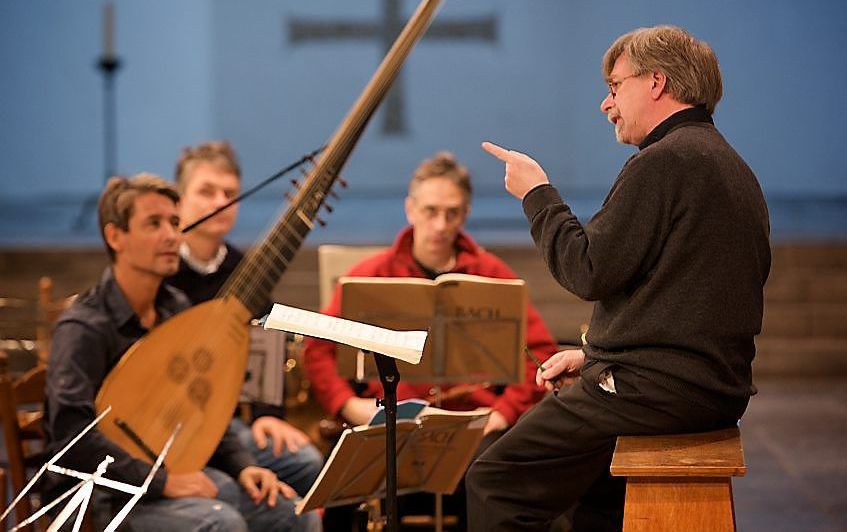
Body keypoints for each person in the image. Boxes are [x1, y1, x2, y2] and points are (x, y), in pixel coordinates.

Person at [468, 25, 771, 531]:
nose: (606, 105)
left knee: (495, 481)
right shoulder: (730, 165)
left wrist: (537, 193)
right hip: (706, 388)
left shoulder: (664, 162)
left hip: (654, 393)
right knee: (589, 500)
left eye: (614, 87)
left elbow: (586, 271)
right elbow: (687, 301)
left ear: (655, 82)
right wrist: (595, 356)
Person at [43, 174, 319, 531]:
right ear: (115, 237)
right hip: (99, 496)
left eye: (175, 222)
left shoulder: (175, 308)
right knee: (222, 523)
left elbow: (198, 408)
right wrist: (163, 483)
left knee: (291, 513)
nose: (172, 235)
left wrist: (243, 465)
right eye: (154, 224)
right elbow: (72, 440)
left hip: (165, 472)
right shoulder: (84, 328)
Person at [302, 151, 558, 528]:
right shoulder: (371, 274)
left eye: (452, 213)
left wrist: (503, 414)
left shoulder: (492, 275)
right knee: (343, 489)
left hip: (470, 429)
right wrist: (346, 404)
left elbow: (538, 354)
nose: (440, 224)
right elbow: (317, 347)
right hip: (392, 424)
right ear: (411, 209)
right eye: (430, 211)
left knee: (499, 478)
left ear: (466, 213)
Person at [165, 140, 324, 498]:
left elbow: (265, 331)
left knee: (306, 464)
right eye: (206, 191)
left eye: (230, 193)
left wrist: (268, 414)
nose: (220, 202)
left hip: (226, 423)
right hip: (171, 424)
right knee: (230, 495)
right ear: (179, 198)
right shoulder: (162, 265)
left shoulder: (243, 269)